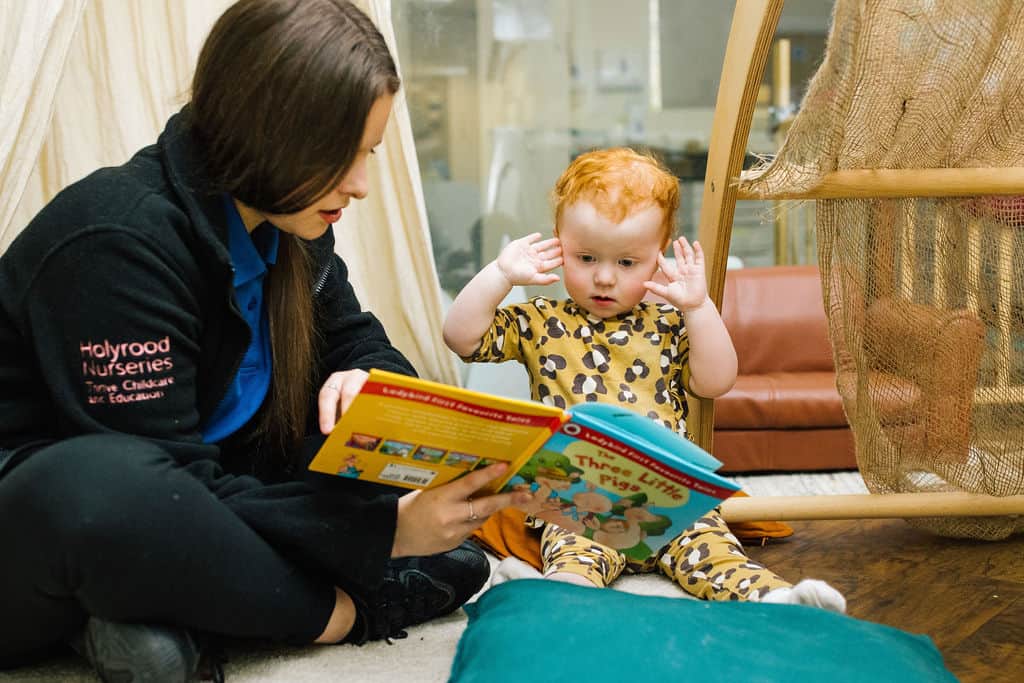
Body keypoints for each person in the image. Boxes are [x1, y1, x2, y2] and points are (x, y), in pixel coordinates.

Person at [0, 1, 531, 680]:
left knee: (455, 555)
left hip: (205, 497)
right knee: (106, 488)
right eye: (344, 156)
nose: (362, 185)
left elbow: (362, 342)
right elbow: (166, 493)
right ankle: (332, 610)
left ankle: (167, 610)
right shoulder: (114, 243)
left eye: (367, 153)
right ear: (270, 130)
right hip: (49, 528)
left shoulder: (292, 227)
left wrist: (371, 383)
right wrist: (382, 543)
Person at [443, 147, 845, 611]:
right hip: (579, 498)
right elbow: (462, 338)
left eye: (627, 263)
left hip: (669, 496)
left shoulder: (670, 323)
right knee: (574, 560)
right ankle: (547, 596)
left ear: (659, 254)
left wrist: (698, 308)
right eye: (587, 257)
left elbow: (716, 381)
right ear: (559, 242)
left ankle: (779, 600)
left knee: (716, 555)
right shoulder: (539, 320)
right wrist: (499, 275)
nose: (605, 278)